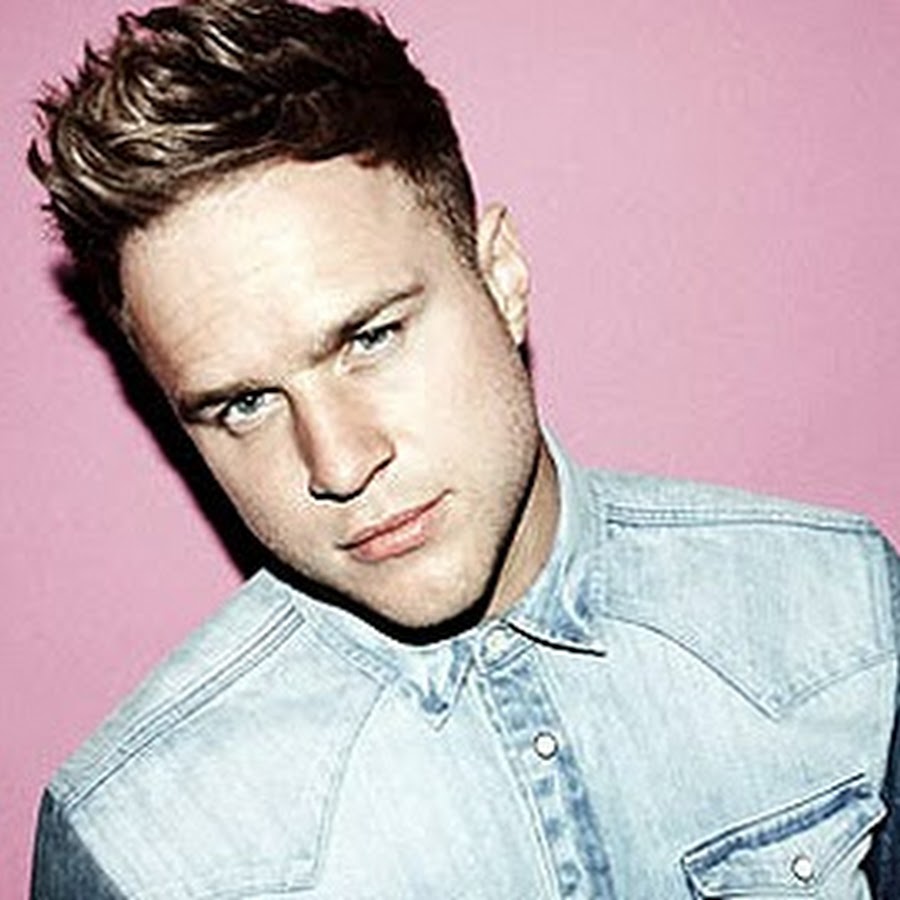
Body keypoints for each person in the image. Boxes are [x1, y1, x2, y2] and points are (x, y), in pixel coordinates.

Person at [27, 1, 900, 897]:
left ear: (502, 278)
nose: (339, 464)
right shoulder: (137, 844)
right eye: (244, 403)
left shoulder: (842, 608)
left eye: (370, 337)